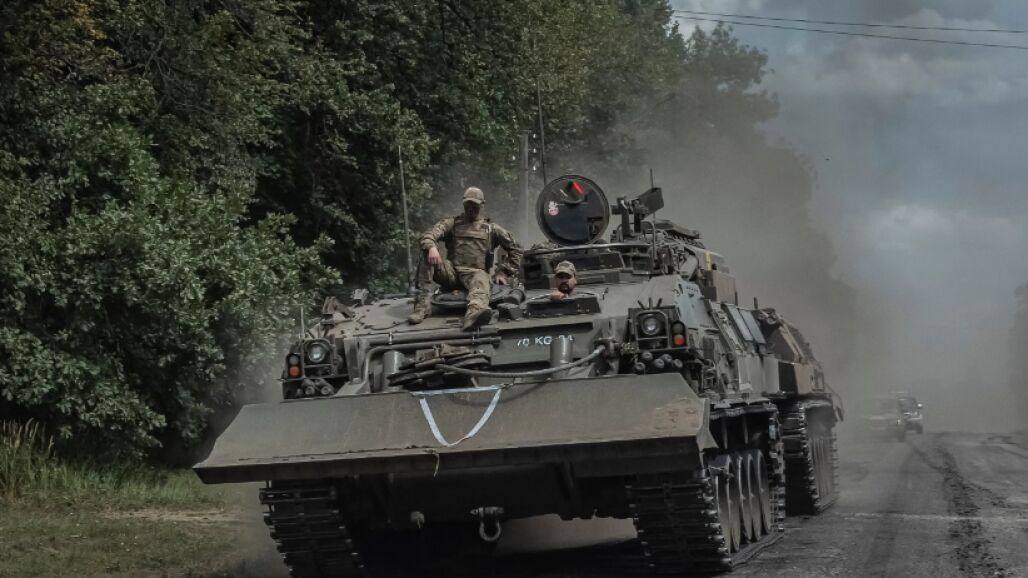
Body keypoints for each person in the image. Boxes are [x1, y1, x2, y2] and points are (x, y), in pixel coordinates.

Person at [408, 187, 522, 330]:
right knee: (426, 252)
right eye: (468, 204)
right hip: (451, 274)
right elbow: (429, 235)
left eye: (474, 204)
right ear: (463, 204)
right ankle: (422, 306)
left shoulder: (491, 229)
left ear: (482, 205)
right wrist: (431, 247)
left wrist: (504, 272)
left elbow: (516, 248)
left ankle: (474, 314)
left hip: (476, 276)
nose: (470, 208)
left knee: (481, 277)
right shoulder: (452, 224)